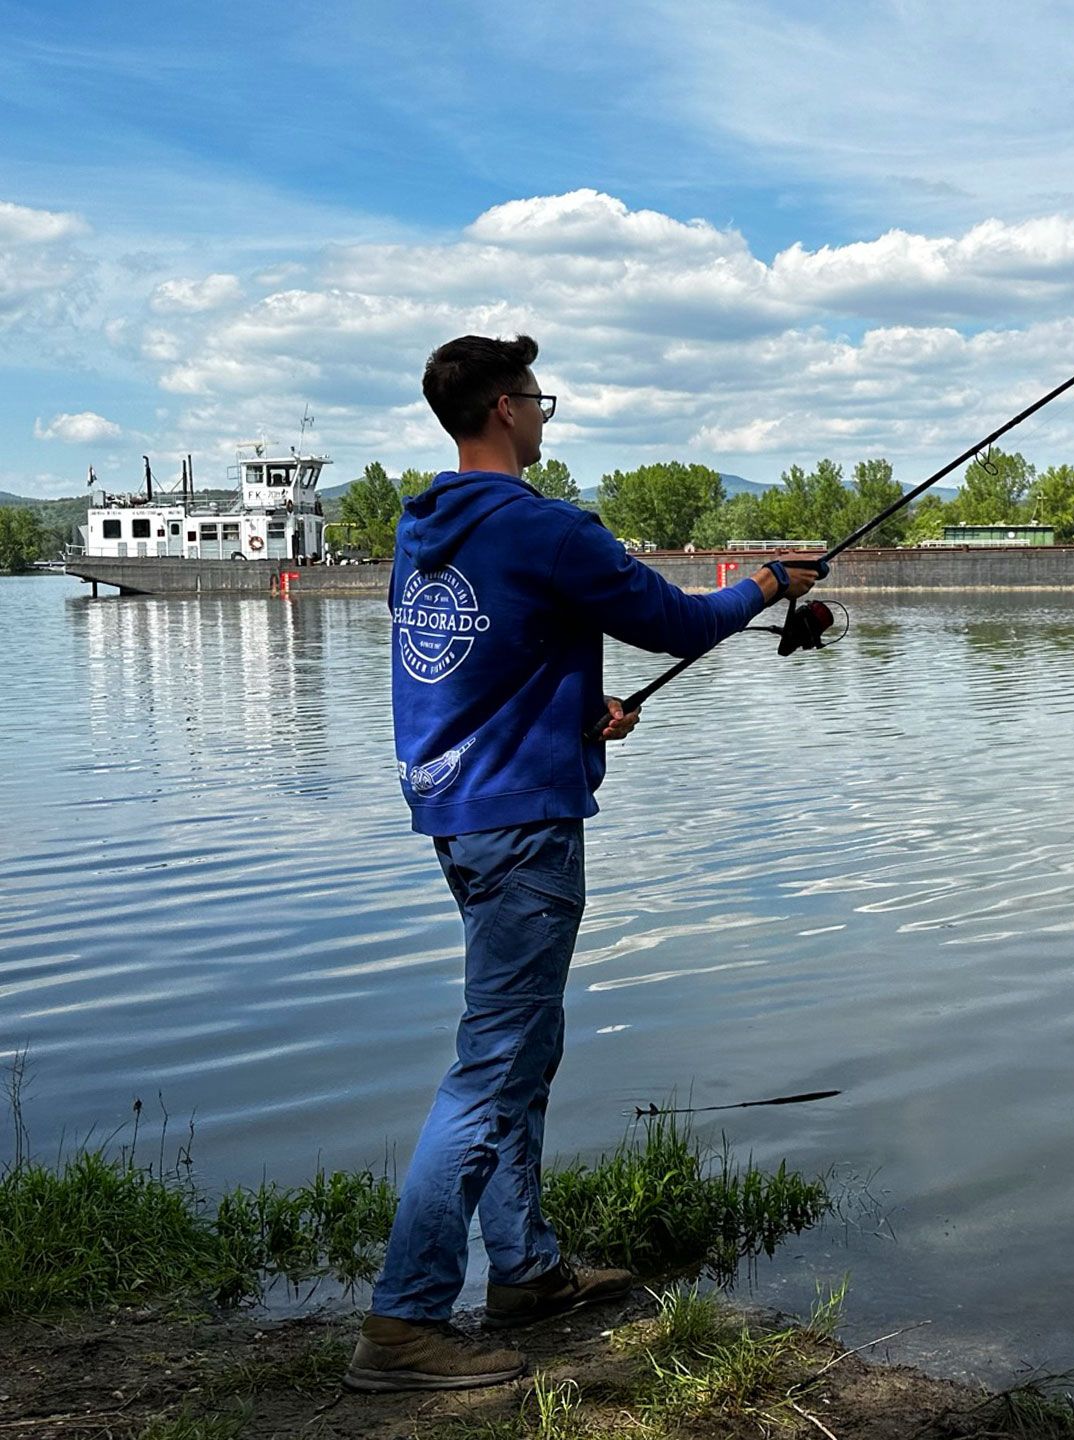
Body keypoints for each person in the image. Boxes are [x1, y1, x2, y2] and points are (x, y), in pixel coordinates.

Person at [345, 334, 821, 1393]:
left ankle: (523, 1270)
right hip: (522, 826)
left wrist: (572, 711)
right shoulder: (546, 528)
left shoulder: (421, 530)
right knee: (491, 1068)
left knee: (524, 1042)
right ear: (508, 410)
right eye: (540, 400)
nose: (545, 416)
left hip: (459, 811)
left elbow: (470, 664)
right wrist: (768, 579)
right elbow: (676, 622)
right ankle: (404, 1324)